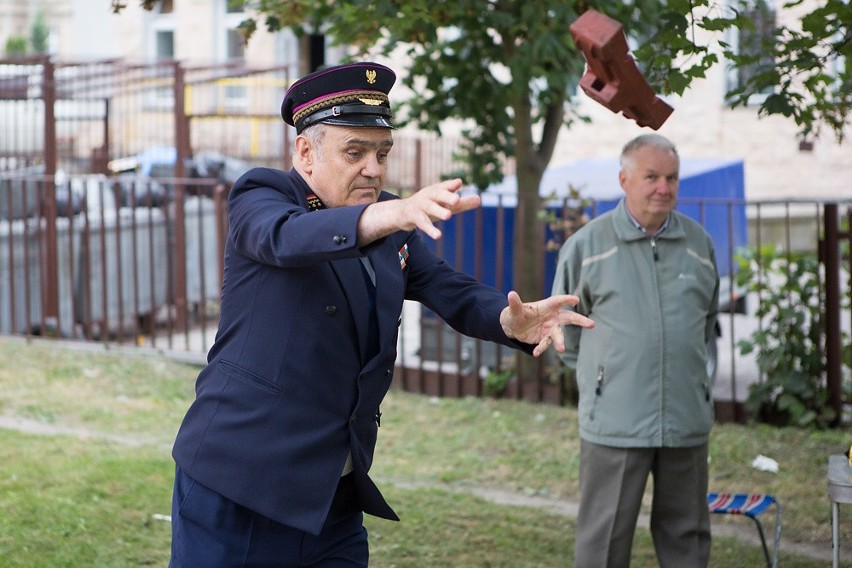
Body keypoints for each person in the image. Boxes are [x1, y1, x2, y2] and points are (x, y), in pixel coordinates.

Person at [168, 61, 594, 567]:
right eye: (355, 152)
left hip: (333, 491)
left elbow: (445, 287)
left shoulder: (387, 219)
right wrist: (392, 213)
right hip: (240, 484)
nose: (373, 168)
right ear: (305, 151)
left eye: (382, 152)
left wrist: (508, 320)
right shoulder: (263, 195)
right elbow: (286, 238)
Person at [551, 133, 719, 568]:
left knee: (688, 538)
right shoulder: (587, 247)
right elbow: (562, 336)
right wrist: (605, 378)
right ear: (624, 179)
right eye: (651, 177)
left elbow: (706, 327)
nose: (663, 187)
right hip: (615, 421)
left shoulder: (700, 246)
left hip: (685, 418)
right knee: (603, 541)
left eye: (671, 178)